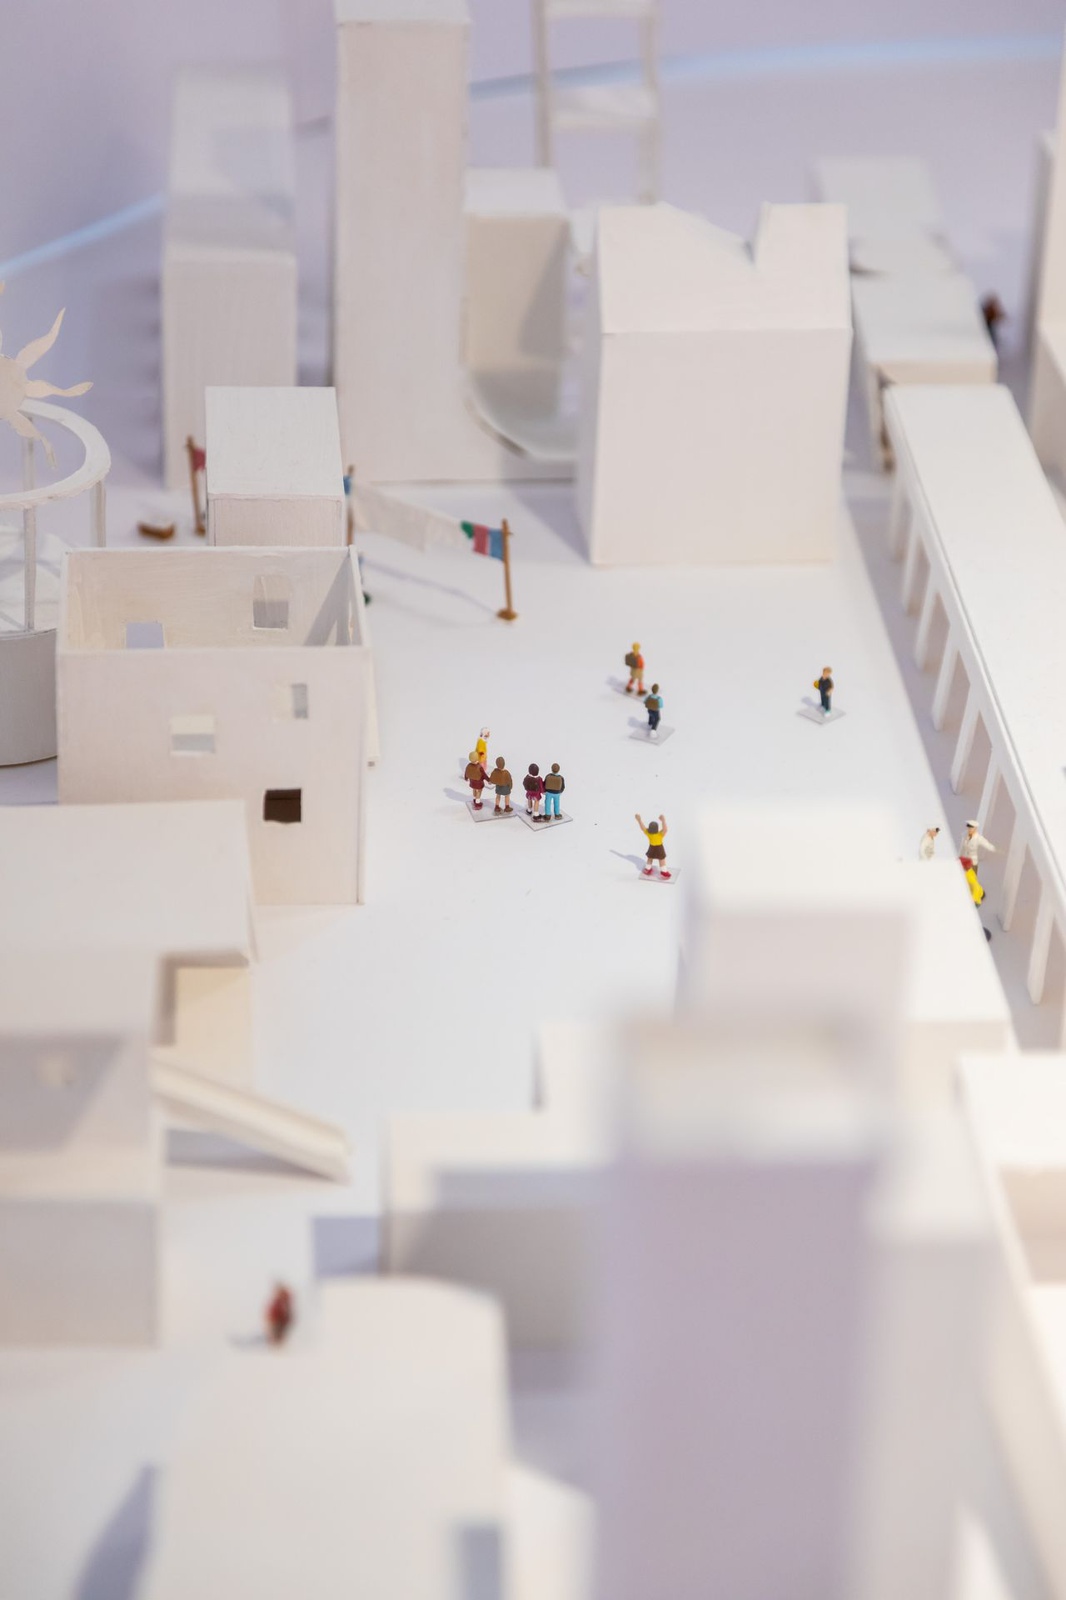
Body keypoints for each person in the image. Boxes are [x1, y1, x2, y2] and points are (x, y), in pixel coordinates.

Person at [958, 820, 996, 906]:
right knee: (967, 879)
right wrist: (959, 857)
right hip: (964, 859)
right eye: (969, 828)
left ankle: (978, 894)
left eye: (971, 828)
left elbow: (986, 844)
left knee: (972, 879)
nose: (969, 830)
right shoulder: (964, 836)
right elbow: (962, 848)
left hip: (972, 861)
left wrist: (993, 848)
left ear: (975, 829)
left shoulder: (978, 838)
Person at [635, 812, 670, 879]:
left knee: (650, 858)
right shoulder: (660, 834)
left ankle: (647, 869)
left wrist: (639, 820)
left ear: (649, 828)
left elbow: (643, 828)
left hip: (652, 847)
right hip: (659, 848)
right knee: (661, 859)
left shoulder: (649, 834)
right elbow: (665, 829)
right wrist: (663, 820)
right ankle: (664, 871)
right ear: (657, 829)